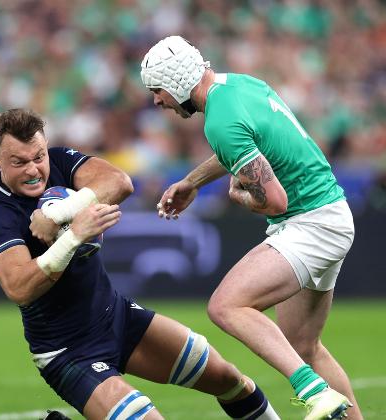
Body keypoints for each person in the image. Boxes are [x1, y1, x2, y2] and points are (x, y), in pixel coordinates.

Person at [0, 108, 280, 420]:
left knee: (228, 378)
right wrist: (72, 238)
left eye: (38, 157)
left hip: (117, 317)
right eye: (19, 162)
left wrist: (60, 213)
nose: (34, 170)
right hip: (68, 351)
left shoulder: (60, 161)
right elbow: (19, 287)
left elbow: (119, 182)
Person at [141, 36, 360, 420]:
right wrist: (192, 182)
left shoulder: (220, 122)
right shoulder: (241, 85)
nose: (157, 101)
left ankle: (312, 391)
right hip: (330, 214)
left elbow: (275, 202)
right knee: (302, 346)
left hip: (309, 223)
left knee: (226, 305)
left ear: (175, 82)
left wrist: (240, 197)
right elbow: (243, 144)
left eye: (157, 90)